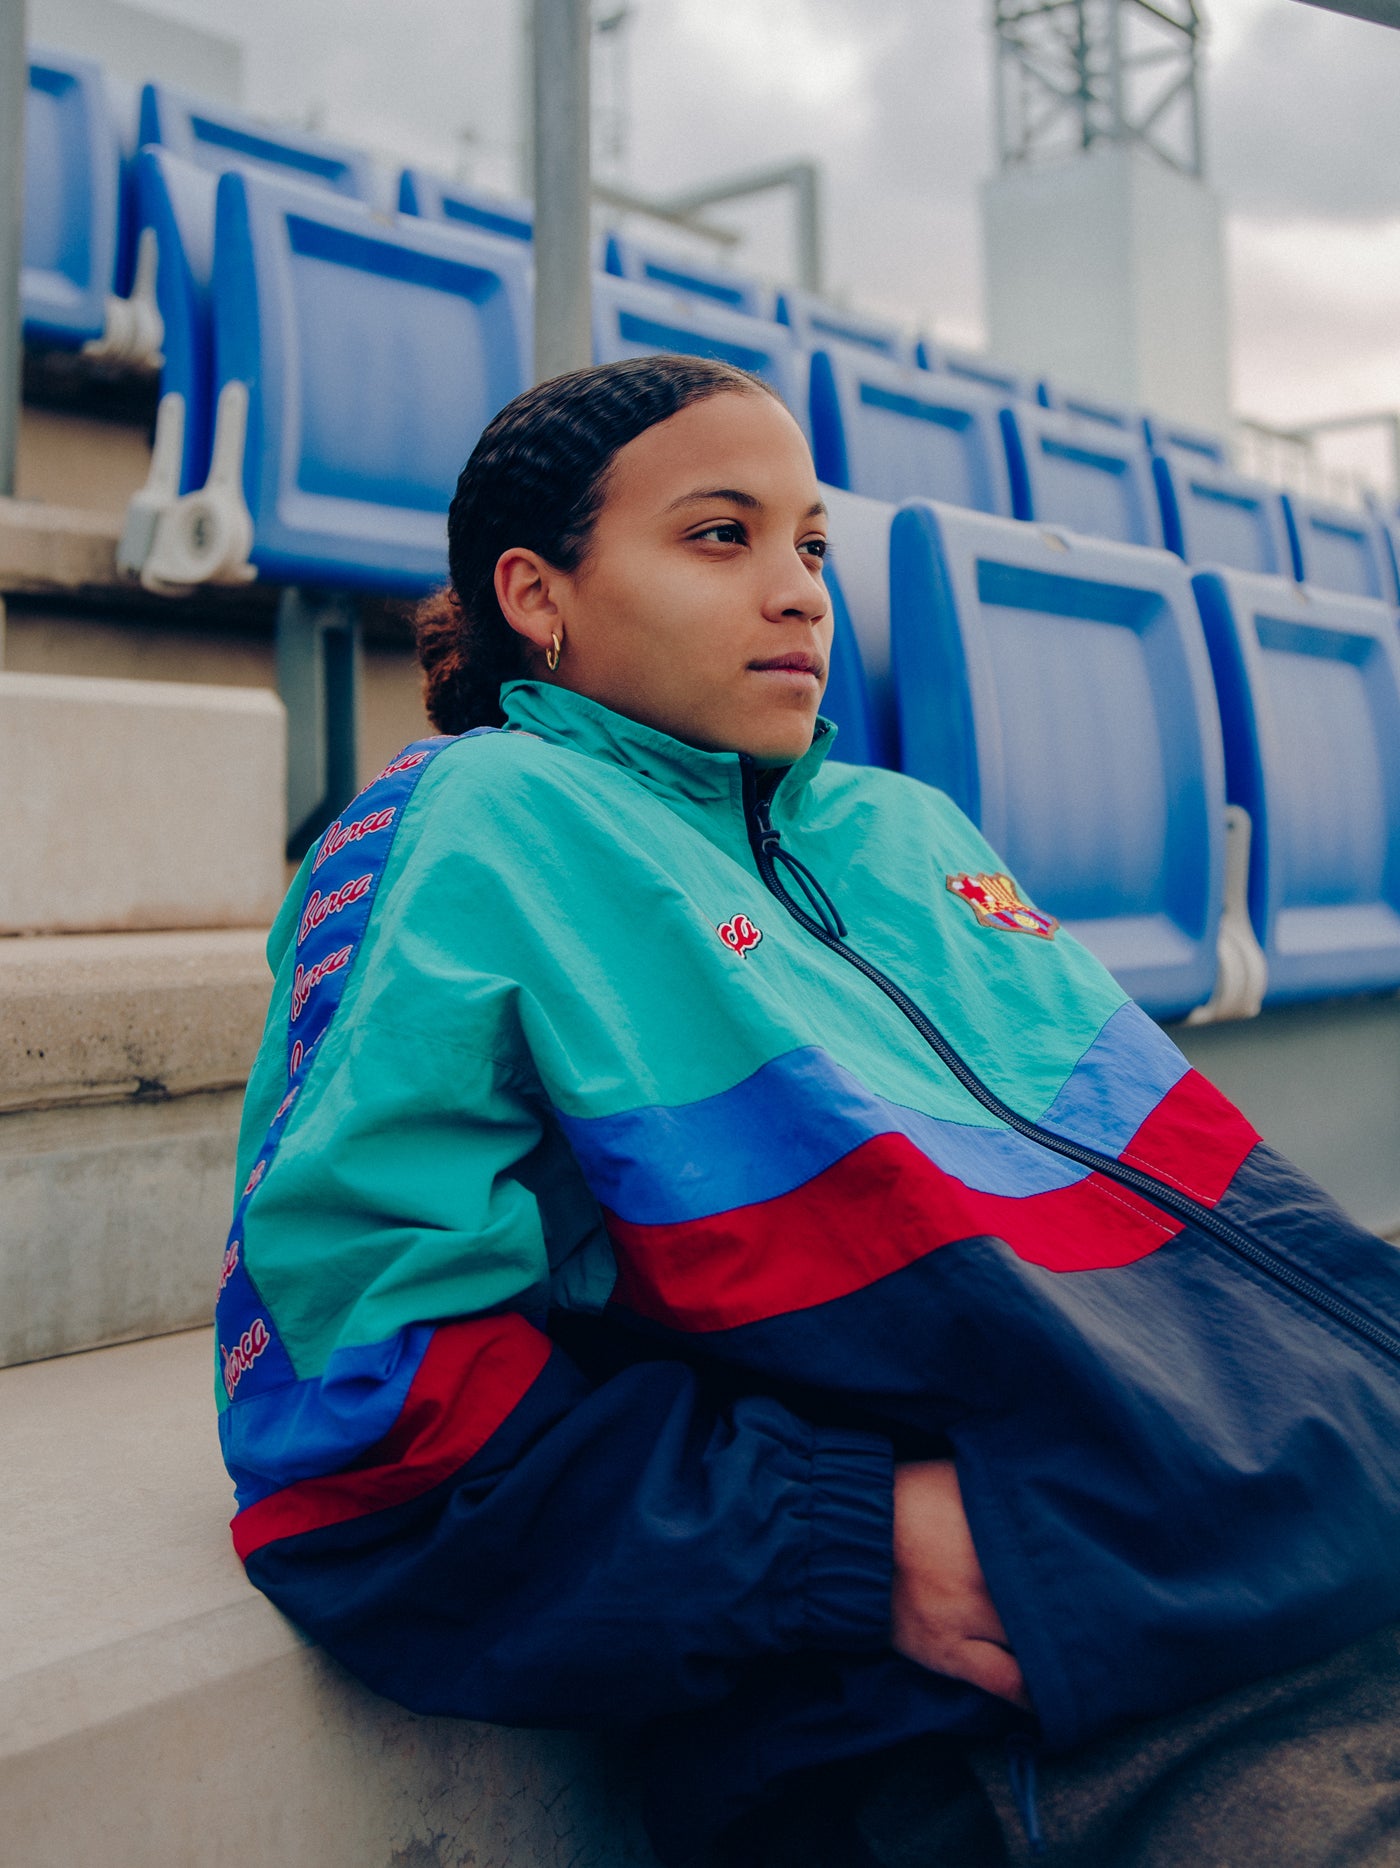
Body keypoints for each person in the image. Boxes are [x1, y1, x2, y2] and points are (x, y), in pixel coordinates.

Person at [216, 354, 1400, 1867]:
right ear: (536, 592)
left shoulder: (907, 831)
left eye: (814, 545)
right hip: (1065, 1718)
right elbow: (350, 1423)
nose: (800, 594)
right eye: (723, 536)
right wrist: (847, 1541)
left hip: (1311, 1551)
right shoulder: (477, 827)